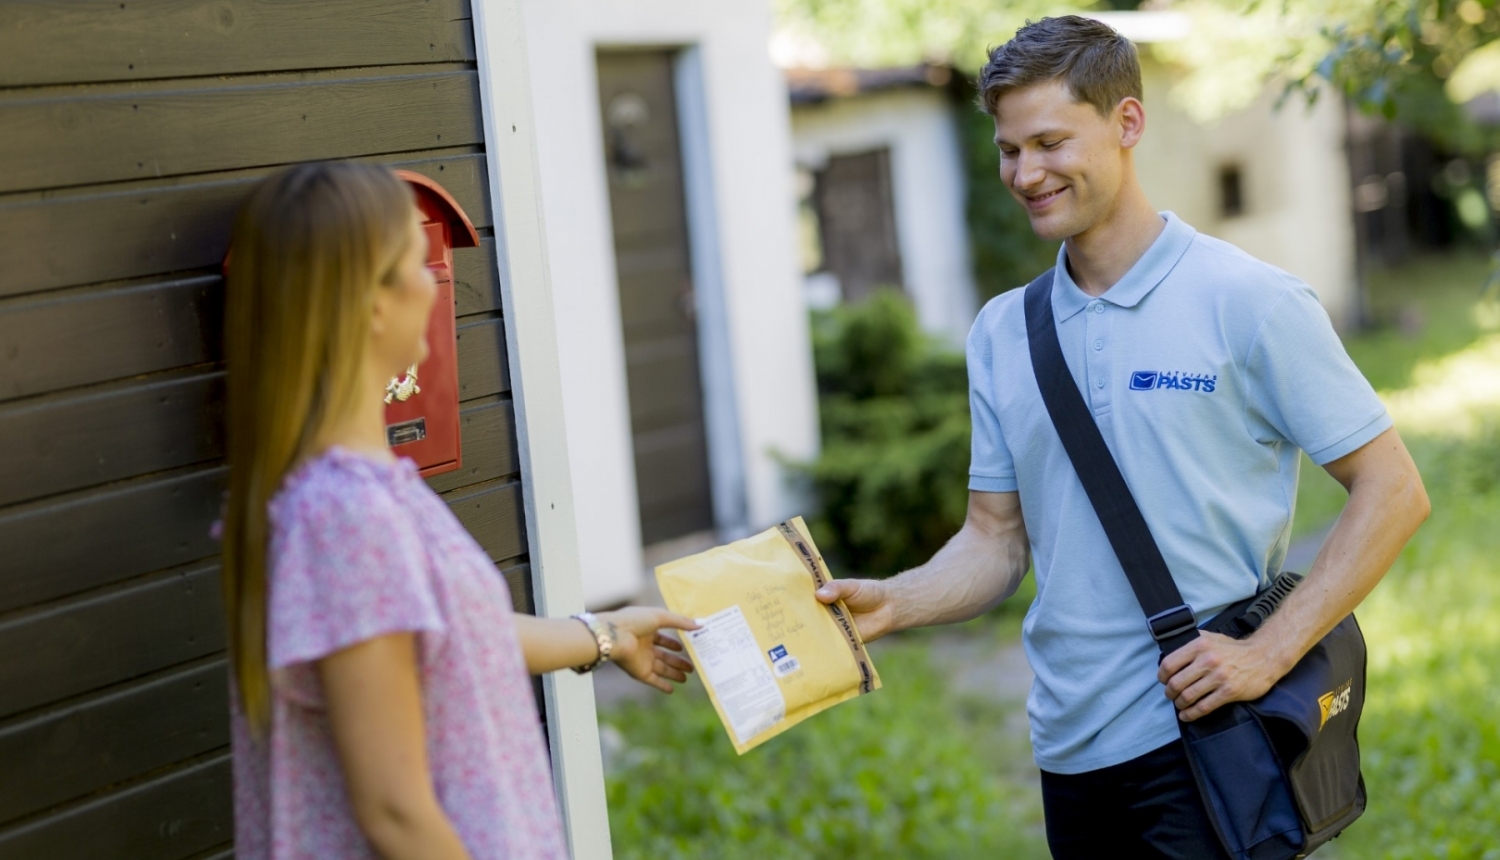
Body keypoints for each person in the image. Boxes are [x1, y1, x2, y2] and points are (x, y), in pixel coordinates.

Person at [815, 16, 1430, 859]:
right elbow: (995, 541)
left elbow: (1394, 489)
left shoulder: (1247, 301)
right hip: (1068, 752)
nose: (1025, 173)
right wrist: (897, 600)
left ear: (1127, 123)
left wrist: (1267, 651)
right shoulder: (1003, 331)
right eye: (1007, 150)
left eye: (1049, 142)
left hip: (1208, 740)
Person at [218, 161, 698, 860]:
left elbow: (446, 634)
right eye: (416, 262)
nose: (434, 282)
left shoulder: (360, 490)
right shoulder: (347, 517)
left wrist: (607, 633)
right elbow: (395, 813)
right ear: (374, 304)